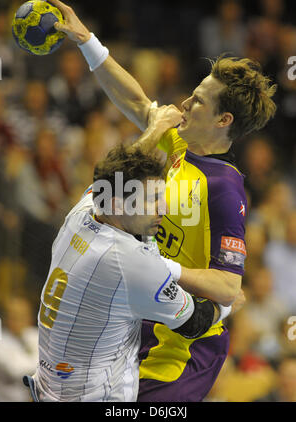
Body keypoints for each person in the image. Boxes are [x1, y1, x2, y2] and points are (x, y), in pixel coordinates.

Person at [50, 0, 272, 401]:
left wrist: (155, 267)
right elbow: (135, 101)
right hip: (138, 327)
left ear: (225, 121)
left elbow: (228, 286)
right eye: (192, 94)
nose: (185, 104)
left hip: (184, 350)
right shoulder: (176, 142)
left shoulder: (224, 188)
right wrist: (87, 42)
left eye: (199, 101)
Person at [27, 107, 232, 402]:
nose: (162, 209)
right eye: (151, 201)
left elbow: (118, 172)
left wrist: (157, 127)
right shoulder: (130, 261)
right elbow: (194, 323)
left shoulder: (84, 211)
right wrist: (227, 303)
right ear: (119, 204)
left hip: (52, 388)